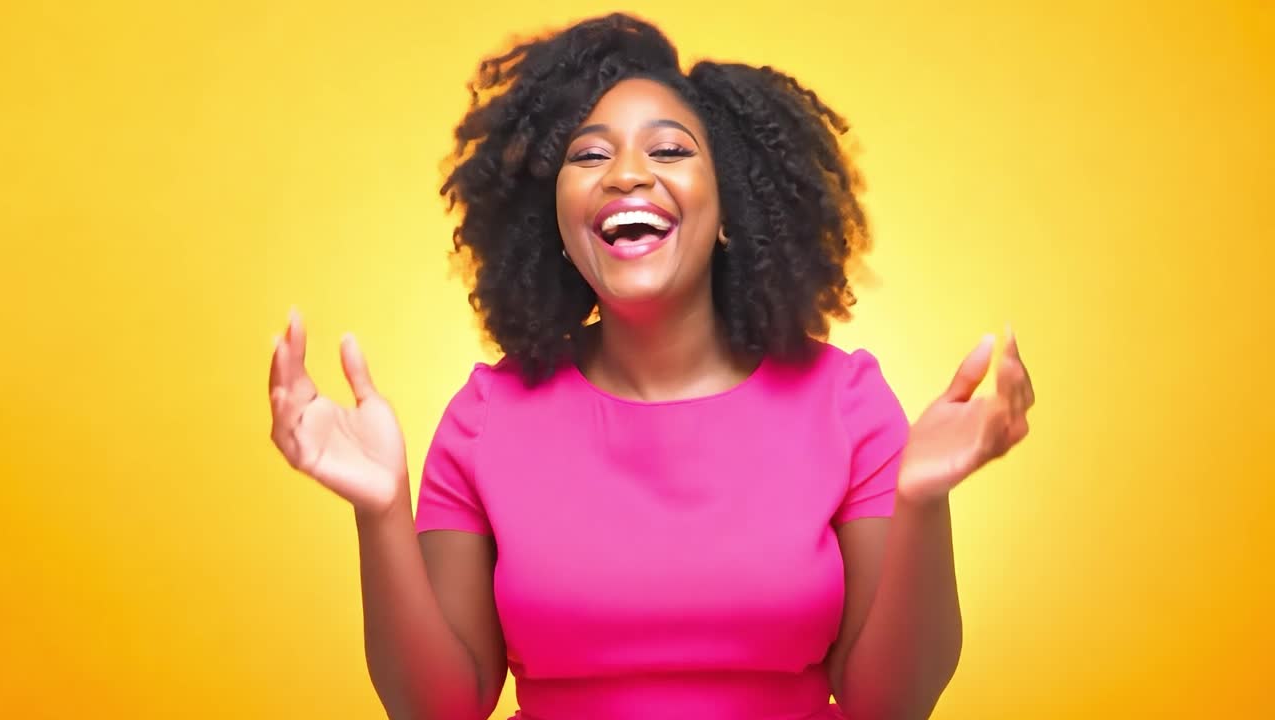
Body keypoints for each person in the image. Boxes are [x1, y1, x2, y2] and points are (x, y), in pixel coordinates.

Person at [266, 12, 1035, 720]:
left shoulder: (846, 404)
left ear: (730, 202)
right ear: (556, 217)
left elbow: (888, 706)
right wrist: (379, 513)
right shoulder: (484, 418)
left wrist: (924, 504)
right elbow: (442, 707)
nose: (626, 174)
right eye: (589, 155)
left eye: (668, 150)